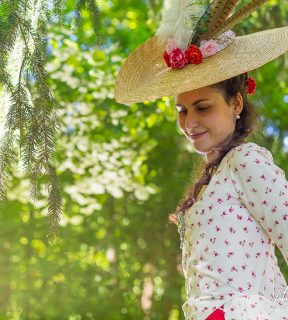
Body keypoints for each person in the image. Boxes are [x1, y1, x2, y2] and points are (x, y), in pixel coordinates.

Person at [115, 1, 288, 319]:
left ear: (236, 103)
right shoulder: (216, 174)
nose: (189, 122)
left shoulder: (246, 161)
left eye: (203, 107)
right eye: (182, 110)